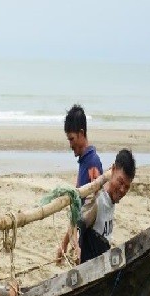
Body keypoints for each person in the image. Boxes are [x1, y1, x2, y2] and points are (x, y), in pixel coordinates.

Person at [56, 105, 104, 263]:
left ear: (82, 133)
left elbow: (90, 209)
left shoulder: (92, 164)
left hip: (91, 242)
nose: (70, 144)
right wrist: (65, 245)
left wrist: (72, 245)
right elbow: (79, 208)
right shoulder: (85, 162)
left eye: (72, 139)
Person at [78, 149, 135, 262]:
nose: (122, 190)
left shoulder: (111, 200)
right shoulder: (97, 201)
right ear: (113, 170)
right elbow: (78, 224)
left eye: (127, 187)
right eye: (120, 182)